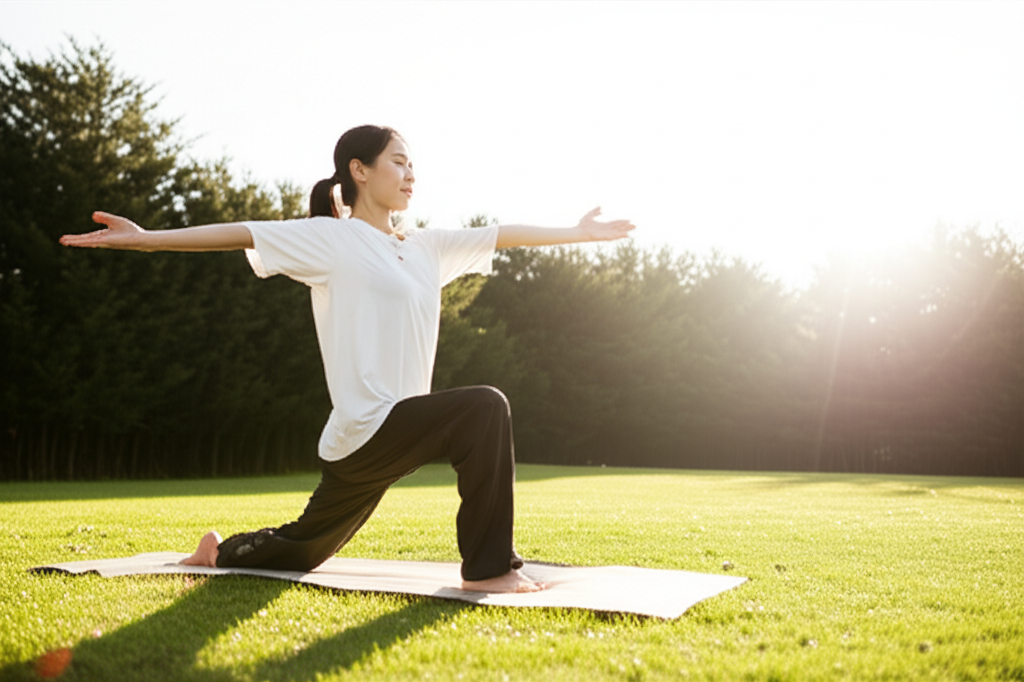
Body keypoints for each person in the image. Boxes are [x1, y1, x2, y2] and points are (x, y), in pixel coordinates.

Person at [60, 124, 635, 594]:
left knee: (302, 548)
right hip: (366, 429)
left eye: (413, 165)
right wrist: (146, 238)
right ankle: (488, 568)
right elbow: (238, 233)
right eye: (398, 162)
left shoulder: (425, 247)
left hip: (398, 429)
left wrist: (578, 234)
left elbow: (501, 234)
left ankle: (218, 553)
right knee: (484, 408)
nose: (411, 174)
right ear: (359, 170)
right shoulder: (331, 239)